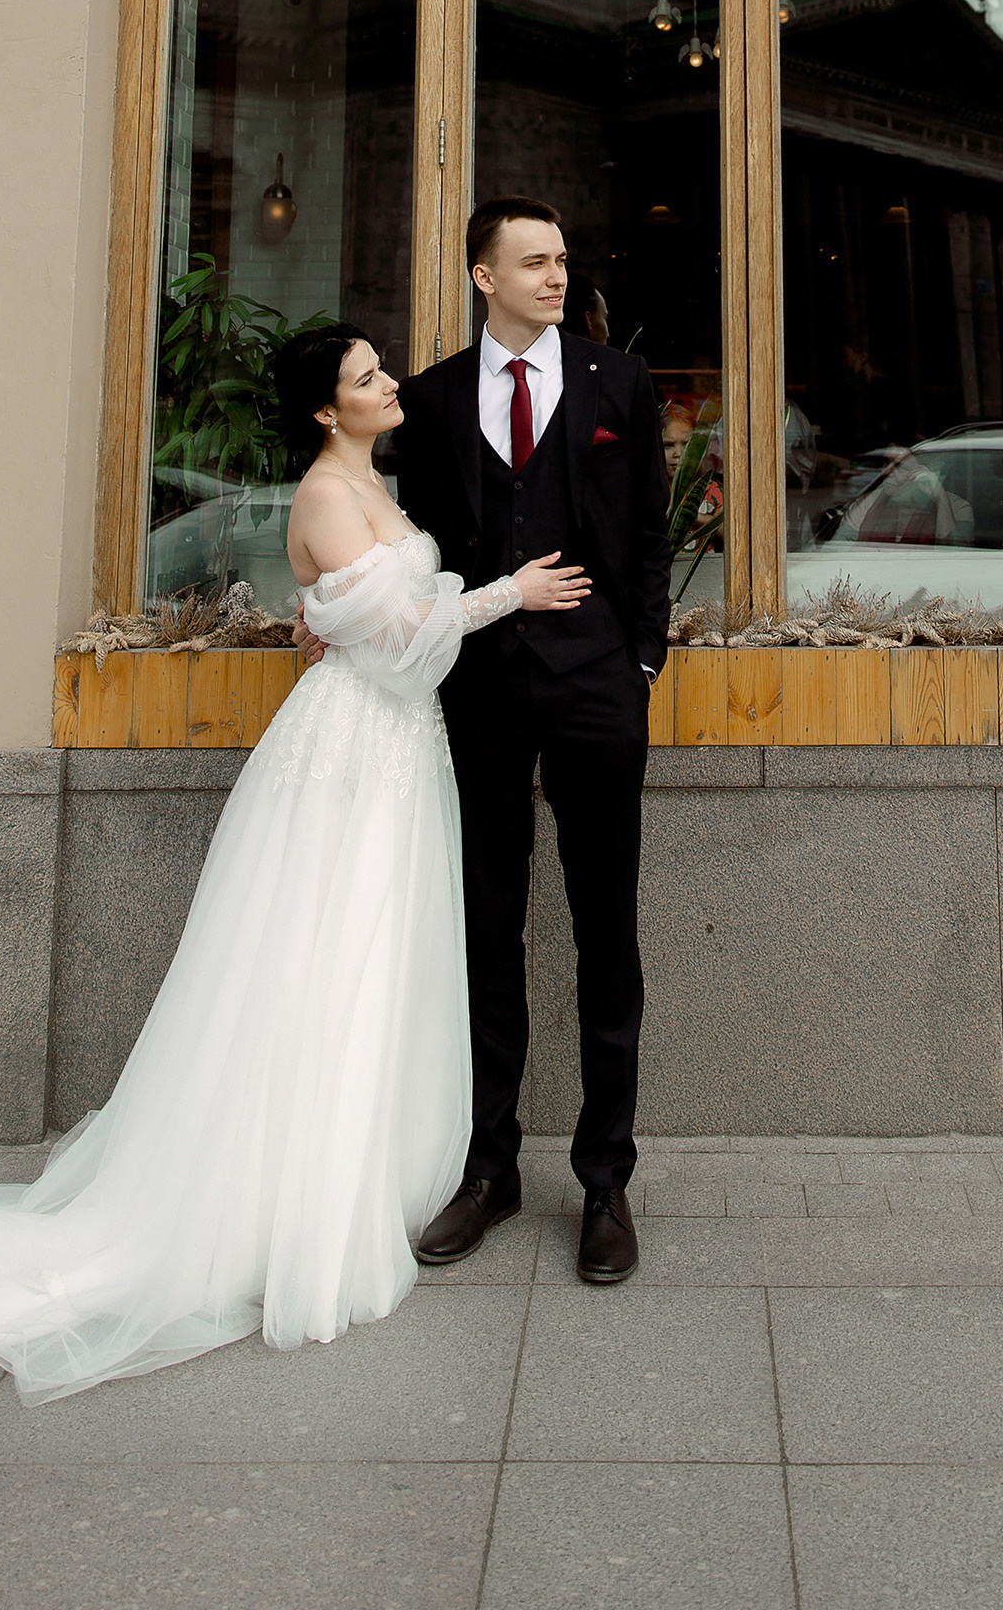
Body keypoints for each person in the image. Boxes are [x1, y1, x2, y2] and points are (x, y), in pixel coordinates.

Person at [0, 326, 587, 1404]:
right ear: (326, 410)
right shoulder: (325, 493)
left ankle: (349, 1179)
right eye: (366, 378)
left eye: (380, 372)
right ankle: (292, 1205)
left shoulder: (367, 481)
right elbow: (404, 642)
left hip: (393, 754)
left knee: (373, 964)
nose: (388, 384)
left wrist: (349, 615)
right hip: (350, 761)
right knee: (323, 967)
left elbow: (365, 622)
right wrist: (509, 593)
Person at [320, 200, 669, 1285]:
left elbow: (651, 529)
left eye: (563, 260)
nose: (556, 277)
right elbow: (385, 527)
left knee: (605, 930)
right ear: (485, 277)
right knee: (483, 927)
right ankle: (488, 1166)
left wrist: (640, 659)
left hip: (597, 687)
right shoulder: (421, 401)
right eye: (533, 262)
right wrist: (326, 595)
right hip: (475, 693)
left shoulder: (620, 384)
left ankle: (604, 1181)